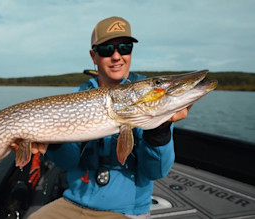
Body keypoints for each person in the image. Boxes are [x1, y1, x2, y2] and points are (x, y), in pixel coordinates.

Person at [25, 16, 191, 219]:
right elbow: (68, 163)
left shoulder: (148, 97)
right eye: (105, 50)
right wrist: (53, 144)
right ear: (93, 56)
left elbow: (155, 171)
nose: (116, 56)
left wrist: (160, 131)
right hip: (74, 202)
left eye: (124, 48)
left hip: (124, 210)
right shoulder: (76, 97)